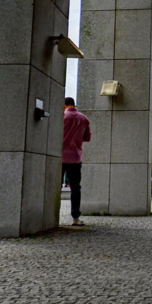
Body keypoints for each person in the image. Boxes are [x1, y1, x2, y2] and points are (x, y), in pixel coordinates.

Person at [61, 97, 92, 226]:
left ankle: (50, 216)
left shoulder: (62, 116)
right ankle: (75, 217)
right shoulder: (84, 118)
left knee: (54, 186)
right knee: (75, 187)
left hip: (60, 156)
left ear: (65, 105)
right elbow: (87, 138)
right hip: (75, 157)